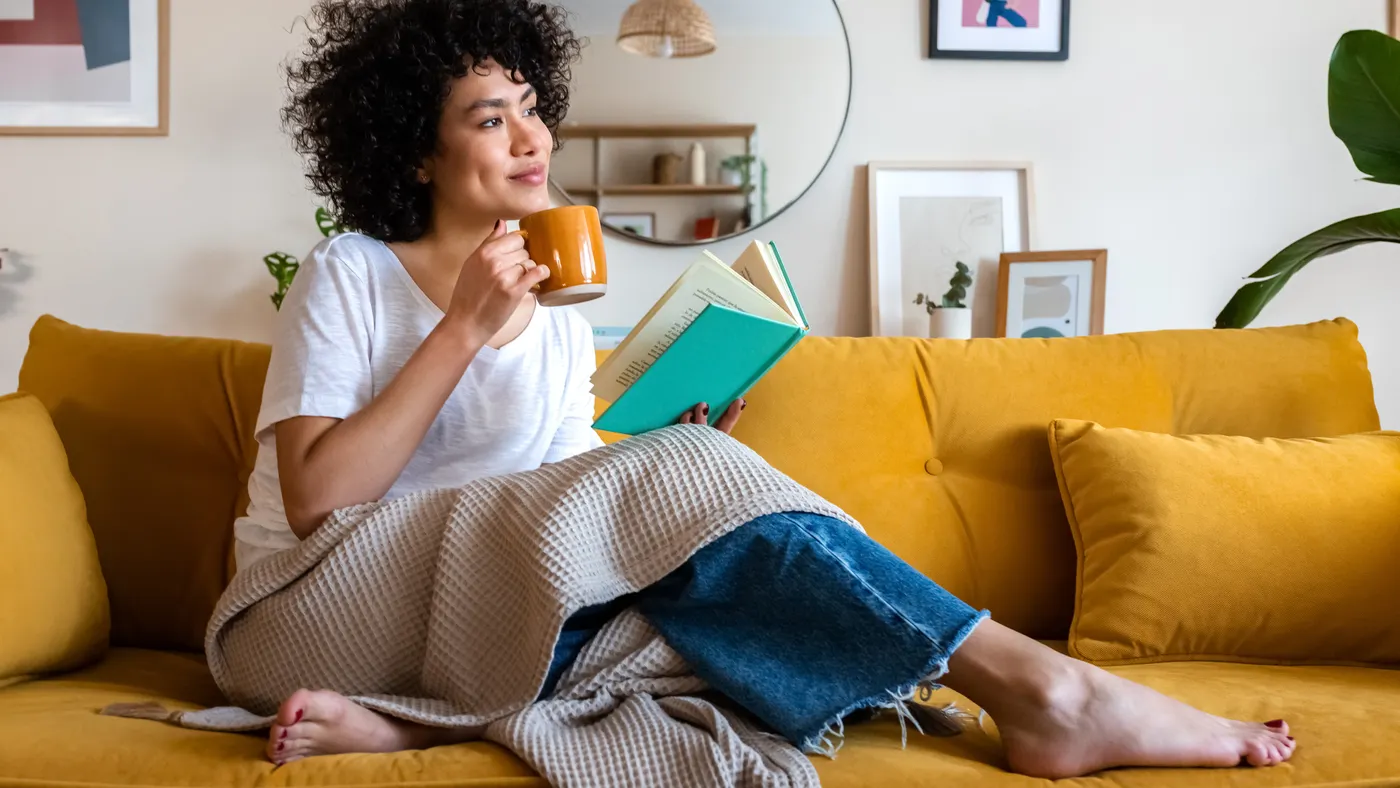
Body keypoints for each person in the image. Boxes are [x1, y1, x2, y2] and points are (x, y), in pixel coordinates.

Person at [231, 0, 1298, 778]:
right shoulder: (350, 272)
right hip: (311, 611)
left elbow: (554, 519)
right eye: (487, 118)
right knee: (703, 567)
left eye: (531, 107)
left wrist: (678, 457)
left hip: (473, 615)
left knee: (720, 615)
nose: (531, 138)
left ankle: (414, 719)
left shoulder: (554, 316)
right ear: (415, 153)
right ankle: (1046, 687)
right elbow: (320, 498)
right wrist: (462, 328)